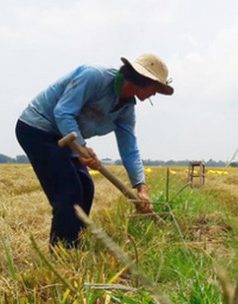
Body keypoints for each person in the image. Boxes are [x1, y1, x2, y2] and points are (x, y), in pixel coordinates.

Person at [15, 54, 173, 248]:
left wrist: (141, 187)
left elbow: (129, 148)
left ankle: (75, 241)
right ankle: (62, 251)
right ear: (143, 80)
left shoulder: (126, 109)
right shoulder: (95, 77)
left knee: (86, 188)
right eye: (155, 89)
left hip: (68, 138)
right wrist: (82, 148)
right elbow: (63, 112)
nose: (154, 95)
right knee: (69, 191)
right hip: (38, 129)